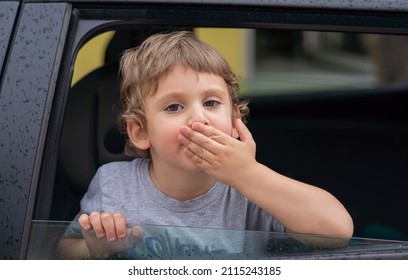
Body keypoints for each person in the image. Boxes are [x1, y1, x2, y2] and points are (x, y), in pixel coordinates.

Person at [58, 31, 353, 259]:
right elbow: (63, 250)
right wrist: (93, 250)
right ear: (140, 132)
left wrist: (247, 174)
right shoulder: (114, 185)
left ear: (235, 119)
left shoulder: (249, 188)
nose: (199, 119)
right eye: (174, 107)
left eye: (211, 103)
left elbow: (338, 231)